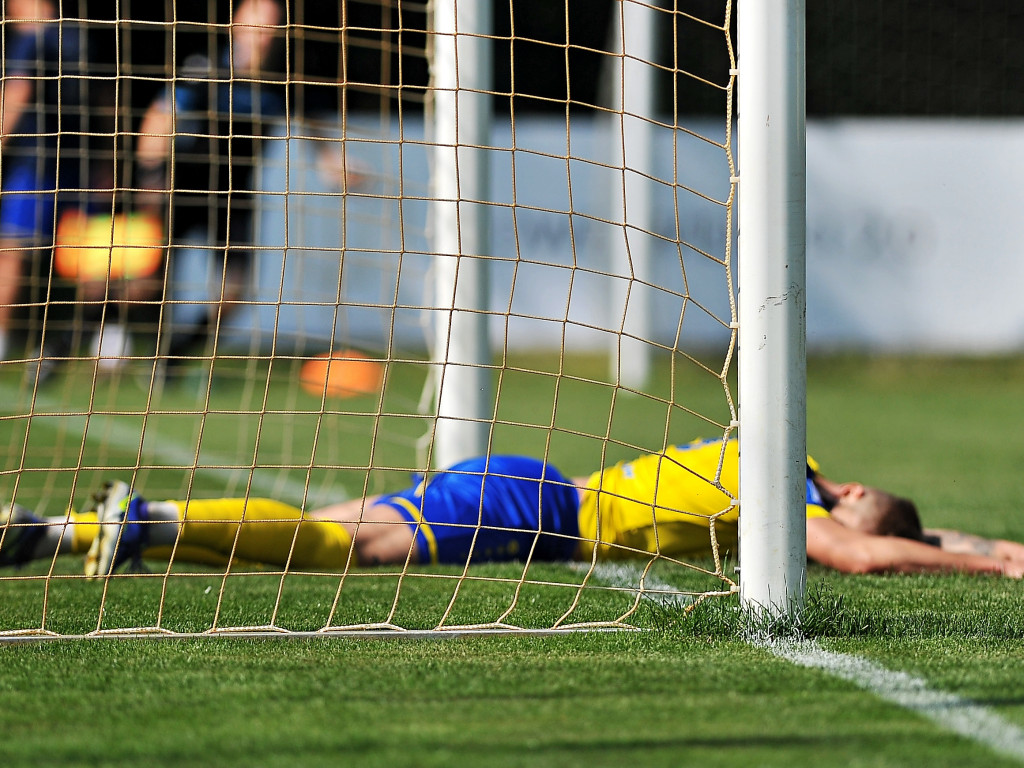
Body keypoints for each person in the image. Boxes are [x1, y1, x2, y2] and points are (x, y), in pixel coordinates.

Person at [3, 437, 1024, 579]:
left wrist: (996, 547)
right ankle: (140, 525)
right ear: (840, 501)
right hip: (536, 512)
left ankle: (69, 530)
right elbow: (866, 556)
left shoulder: (779, 449)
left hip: (525, 481)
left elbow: (906, 534)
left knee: (326, 527)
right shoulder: (784, 499)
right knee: (341, 546)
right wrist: (992, 568)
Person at [133, 0, 287, 381]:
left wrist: (333, 160)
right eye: (256, 26)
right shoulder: (207, 69)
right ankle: (68, 341)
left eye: (270, 28)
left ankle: (176, 354)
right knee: (144, 279)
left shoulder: (280, 80)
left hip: (234, 199)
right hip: (185, 188)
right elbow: (159, 117)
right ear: (237, 26)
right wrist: (150, 178)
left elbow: (308, 116)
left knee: (235, 290)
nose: (262, 36)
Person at [0, 0, 87, 366]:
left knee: (11, 253)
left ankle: (3, 340)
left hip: (35, 164)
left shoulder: (33, 38)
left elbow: (19, 91)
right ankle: (81, 340)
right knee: (81, 255)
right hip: (77, 163)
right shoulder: (79, 37)